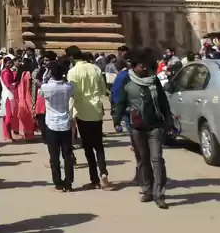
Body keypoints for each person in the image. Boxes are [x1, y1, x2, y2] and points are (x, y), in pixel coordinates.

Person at [113, 48, 172, 208]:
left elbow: (163, 103)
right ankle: (147, 190)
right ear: (134, 67)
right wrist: (117, 119)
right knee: (143, 160)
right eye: (141, 66)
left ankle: (159, 193)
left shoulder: (154, 81)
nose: (144, 68)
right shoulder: (127, 81)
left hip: (155, 126)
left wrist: (169, 120)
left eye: (145, 65)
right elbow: (120, 102)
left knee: (157, 159)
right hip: (137, 126)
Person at [66, 45, 110, 190]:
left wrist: (70, 113)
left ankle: (95, 179)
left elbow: (72, 94)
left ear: (72, 58)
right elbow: (103, 90)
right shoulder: (95, 69)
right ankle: (103, 172)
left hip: (82, 112)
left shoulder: (72, 72)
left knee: (88, 147)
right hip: (96, 110)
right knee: (99, 145)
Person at [39, 60, 75, 191]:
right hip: (65, 123)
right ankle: (69, 181)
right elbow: (72, 92)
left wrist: (45, 77)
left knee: (54, 156)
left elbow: (41, 93)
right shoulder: (69, 87)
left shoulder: (46, 87)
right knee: (67, 154)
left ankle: (58, 182)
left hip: (52, 124)